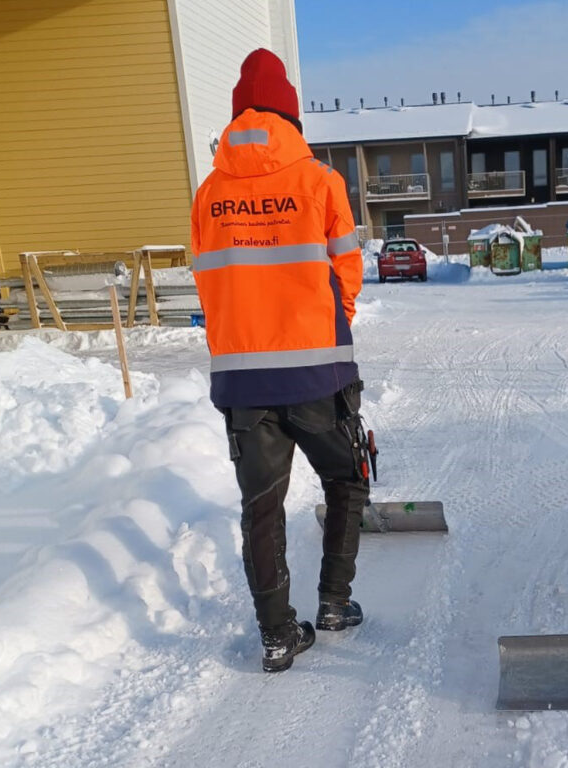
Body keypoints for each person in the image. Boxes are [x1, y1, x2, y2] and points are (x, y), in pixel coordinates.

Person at [191, 49, 369, 671]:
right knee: (346, 480)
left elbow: (208, 282)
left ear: (239, 115)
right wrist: (329, 321)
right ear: (290, 115)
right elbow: (348, 269)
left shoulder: (210, 193)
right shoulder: (319, 181)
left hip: (242, 380)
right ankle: (333, 604)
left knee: (260, 507)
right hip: (318, 373)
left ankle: (275, 634)